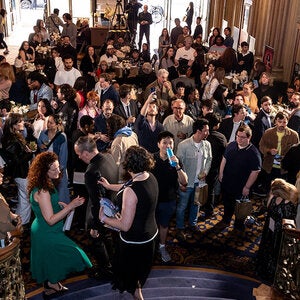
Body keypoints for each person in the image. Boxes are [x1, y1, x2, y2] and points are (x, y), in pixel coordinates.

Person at [98, 145, 158, 300]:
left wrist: (105, 219)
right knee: (139, 272)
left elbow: (125, 225)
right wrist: (109, 186)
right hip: (151, 235)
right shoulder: (149, 176)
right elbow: (128, 187)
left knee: (132, 277)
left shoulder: (132, 190)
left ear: (128, 165)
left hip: (134, 241)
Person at [27, 152, 92, 295]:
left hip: (48, 229)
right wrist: (70, 206)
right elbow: (50, 220)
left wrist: (58, 205)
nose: (58, 171)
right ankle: (52, 283)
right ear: (44, 171)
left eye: (58, 167)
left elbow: (46, 206)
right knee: (75, 253)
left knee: (52, 260)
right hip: (46, 231)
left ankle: (52, 284)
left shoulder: (45, 183)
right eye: (54, 169)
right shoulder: (43, 190)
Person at [74, 136, 118, 279]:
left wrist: (94, 225)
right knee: (108, 238)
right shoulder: (109, 157)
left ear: (86, 153)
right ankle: (112, 262)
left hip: (101, 211)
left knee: (97, 240)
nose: (79, 157)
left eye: (79, 154)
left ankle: (105, 270)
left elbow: (96, 201)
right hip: (113, 205)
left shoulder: (91, 171)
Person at [152, 131, 187, 262]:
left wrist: (177, 166)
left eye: (170, 143)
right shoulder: (151, 159)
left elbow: (184, 182)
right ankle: (151, 246)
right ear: (158, 144)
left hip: (169, 200)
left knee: (164, 225)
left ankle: (162, 247)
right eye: (164, 143)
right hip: (153, 199)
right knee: (151, 224)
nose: (167, 146)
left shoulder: (176, 160)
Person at [219, 125, 261, 230]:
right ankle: (226, 220)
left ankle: (238, 224)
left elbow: (255, 171)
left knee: (240, 207)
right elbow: (224, 159)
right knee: (227, 203)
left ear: (249, 138)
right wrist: (221, 173)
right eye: (238, 136)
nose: (239, 139)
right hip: (228, 181)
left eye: (242, 137)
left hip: (242, 185)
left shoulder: (254, 153)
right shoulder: (232, 145)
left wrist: (247, 187)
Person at [256, 178, 298, 283]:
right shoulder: (287, 201)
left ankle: (268, 270)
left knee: (272, 248)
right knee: (271, 248)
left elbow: (268, 208)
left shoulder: (285, 201)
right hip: (273, 228)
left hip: (278, 230)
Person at [175, 118, 211, 240]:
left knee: (196, 205)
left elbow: (209, 159)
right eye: (206, 130)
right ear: (198, 131)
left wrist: (205, 171)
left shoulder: (207, 144)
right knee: (182, 207)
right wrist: (180, 183)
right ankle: (179, 228)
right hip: (187, 183)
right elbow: (177, 166)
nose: (208, 133)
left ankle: (192, 224)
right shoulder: (183, 145)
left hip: (199, 183)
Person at [1, 113, 34, 226]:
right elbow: (17, 161)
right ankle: (21, 224)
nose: (22, 123)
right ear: (14, 125)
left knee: (23, 198)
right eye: (20, 121)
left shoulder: (14, 137)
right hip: (20, 173)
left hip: (21, 173)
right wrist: (28, 154)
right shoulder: (12, 140)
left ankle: (19, 222)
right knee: (26, 199)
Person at [259, 111, 299, 192]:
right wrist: (269, 151)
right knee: (268, 188)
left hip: (284, 168)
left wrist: (288, 158)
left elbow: (297, 152)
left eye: (284, 122)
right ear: (275, 122)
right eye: (279, 121)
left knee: (283, 191)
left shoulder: (294, 135)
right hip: (269, 166)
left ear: (287, 122)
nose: (282, 124)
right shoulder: (268, 132)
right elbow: (261, 146)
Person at [38, 114, 70, 204]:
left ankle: (63, 209)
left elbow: (64, 154)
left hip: (58, 166)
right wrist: (41, 147)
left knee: (61, 190)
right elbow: (39, 147)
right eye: (48, 122)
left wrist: (60, 169)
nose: (48, 124)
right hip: (46, 166)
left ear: (57, 124)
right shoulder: (43, 134)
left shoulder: (62, 136)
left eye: (51, 123)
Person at [106, 114, 139, 182]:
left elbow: (115, 164)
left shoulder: (117, 141)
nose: (107, 129)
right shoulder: (133, 134)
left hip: (122, 178)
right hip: (134, 174)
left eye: (108, 127)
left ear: (113, 127)